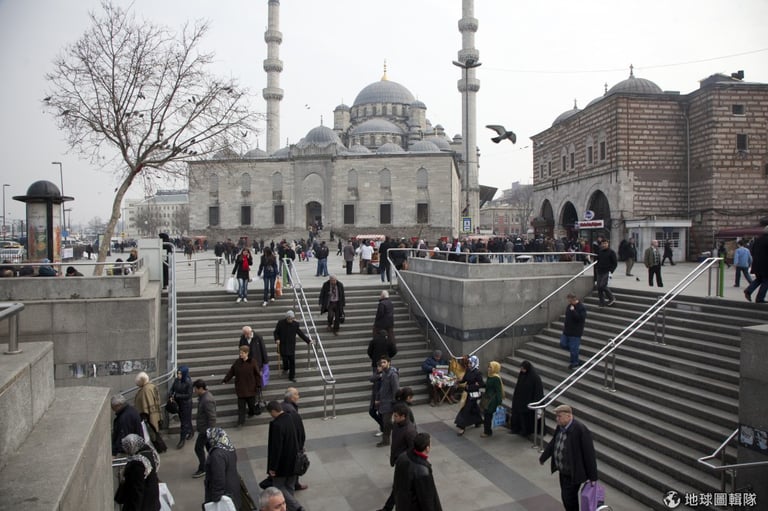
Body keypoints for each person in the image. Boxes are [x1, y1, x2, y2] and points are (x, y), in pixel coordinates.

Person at [539, 404, 599, 511]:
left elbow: (589, 454)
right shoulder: (560, 427)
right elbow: (554, 442)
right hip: (563, 471)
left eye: (559, 416)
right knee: (567, 497)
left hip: (573, 473)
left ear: (569, 416)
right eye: (556, 416)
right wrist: (544, 457)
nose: (557, 419)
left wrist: (593, 477)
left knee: (568, 498)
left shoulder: (580, 430)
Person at [377, 401, 418, 511]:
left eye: (395, 416)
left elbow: (413, 449)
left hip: (406, 464)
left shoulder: (410, 431)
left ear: (403, 416)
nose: (393, 418)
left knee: (398, 487)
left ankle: (387, 508)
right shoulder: (397, 424)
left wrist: (403, 458)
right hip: (399, 461)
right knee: (399, 487)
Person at [266, 400, 305, 511]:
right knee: (290, 486)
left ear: (273, 411)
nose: (271, 415)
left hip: (282, 464)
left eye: (270, 413)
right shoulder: (290, 417)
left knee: (278, 487)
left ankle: (296, 507)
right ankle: (288, 508)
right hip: (294, 460)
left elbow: (276, 448)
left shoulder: (276, 425)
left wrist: (272, 467)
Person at [393, 432, 443, 511]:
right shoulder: (423, 471)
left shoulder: (403, 457)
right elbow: (427, 500)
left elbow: (396, 485)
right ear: (427, 448)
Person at [114, 434, 161, 511]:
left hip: (143, 505)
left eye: (127, 448)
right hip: (152, 501)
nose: (127, 451)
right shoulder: (149, 452)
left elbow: (137, 491)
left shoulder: (138, 464)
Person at [222, 345, 262, 427]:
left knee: (251, 405)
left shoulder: (253, 362)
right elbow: (231, 372)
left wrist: (258, 385)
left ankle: (251, 412)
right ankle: (240, 422)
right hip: (240, 389)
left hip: (251, 389)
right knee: (241, 407)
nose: (241, 354)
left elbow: (257, 375)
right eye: (240, 353)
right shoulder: (237, 362)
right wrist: (225, 380)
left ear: (247, 353)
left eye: (242, 353)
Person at [203, 427, 241, 509]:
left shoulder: (217, 455)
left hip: (225, 493)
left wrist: (215, 498)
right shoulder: (229, 447)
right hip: (233, 488)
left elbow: (218, 477)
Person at [273, 310, 313, 382]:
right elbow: (276, 332)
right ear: (287, 318)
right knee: (285, 359)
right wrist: (277, 339)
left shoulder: (295, 324)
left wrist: (308, 341)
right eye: (289, 319)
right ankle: (285, 368)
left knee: (292, 361)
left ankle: (292, 376)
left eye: (292, 319)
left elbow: (300, 333)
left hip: (291, 346)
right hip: (283, 345)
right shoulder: (280, 323)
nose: (291, 320)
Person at [282, 387, 308, 491]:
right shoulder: (291, 410)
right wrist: (300, 445)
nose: (298, 396)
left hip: (288, 441)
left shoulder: (284, 405)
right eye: (297, 394)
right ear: (291, 397)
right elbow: (298, 430)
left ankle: (293, 483)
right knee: (296, 462)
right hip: (293, 443)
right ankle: (293, 484)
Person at [509, 360, 544, 437]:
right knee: (519, 415)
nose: (522, 370)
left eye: (523, 368)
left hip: (529, 401)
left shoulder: (535, 377)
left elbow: (538, 391)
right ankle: (518, 429)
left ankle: (526, 431)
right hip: (520, 400)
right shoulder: (522, 375)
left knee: (526, 417)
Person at [454, 355, 484, 436]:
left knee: (465, 409)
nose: (469, 365)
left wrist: (470, 386)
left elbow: (481, 384)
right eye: (469, 363)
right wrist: (458, 382)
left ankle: (461, 426)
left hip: (473, 395)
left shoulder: (478, 373)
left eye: (470, 363)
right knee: (474, 408)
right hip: (467, 393)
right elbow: (465, 379)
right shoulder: (468, 370)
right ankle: (478, 421)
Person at [193, 379, 217, 478]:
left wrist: (210, 431)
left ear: (200, 388)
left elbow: (212, 417)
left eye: (195, 389)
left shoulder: (207, 400)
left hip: (206, 430)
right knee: (210, 449)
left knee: (198, 448)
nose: (194, 391)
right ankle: (215, 464)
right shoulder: (203, 397)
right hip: (204, 429)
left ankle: (203, 468)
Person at [375, 356, 400, 447]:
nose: (382, 364)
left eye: (384, 362)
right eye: (381, 362)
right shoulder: (384, 373)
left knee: (386, 423)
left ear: (389, 362)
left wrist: (394, 403)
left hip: (389, 403)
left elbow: (396, 390)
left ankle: (386, 440)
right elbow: (382, 388)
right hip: (383, 402)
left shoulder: (392, 375)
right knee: (386, 422)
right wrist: (378, 398)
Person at [560, 293, 587, 369]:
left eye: (569, 300)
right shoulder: (569, 306)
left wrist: (573, 311)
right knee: (563, 344)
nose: (569, 302)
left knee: (573, 348)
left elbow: (580, 319)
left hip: (575, 332)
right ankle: (575, 353)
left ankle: (574, 362)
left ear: (573, 299)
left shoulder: (581, 307)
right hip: (567, 331)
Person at [169, 365, 194, 449]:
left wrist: (177, 396)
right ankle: (191, 431)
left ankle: (182, 440)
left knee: (184, 422)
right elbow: (172, 389)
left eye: (180, 374)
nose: (179, 375)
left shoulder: (188, 382)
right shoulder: (177, 380)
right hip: (179, 403)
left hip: (186, 404)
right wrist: (171, 395)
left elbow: (188, 395)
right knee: (185, 419)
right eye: (178, 373)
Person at [480, 361, 504, 438]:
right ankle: (487, 430)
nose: (488, 368)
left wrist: (499, 402)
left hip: (492, 400)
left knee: (488, 415)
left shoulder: (496, 378)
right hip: (487, 398)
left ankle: (487, 431)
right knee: (486, 414)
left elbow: (498, 391)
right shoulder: (490, 376)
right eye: (489, 367)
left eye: (490, 367)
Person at [745, 225, 768, 303]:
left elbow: (752, 251)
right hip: (765, 265)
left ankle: (748, 290)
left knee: (759, 279)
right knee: (766, 281)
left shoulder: (757, 240)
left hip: (756, 264)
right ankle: (760, 298)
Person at [594, 239, 617, 307]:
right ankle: (602, 302)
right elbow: (598, 261)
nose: (604, 245)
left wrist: (611, 271)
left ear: (608, 244)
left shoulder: (611, 252)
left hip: (606, 271)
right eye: (603, 243)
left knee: (603, 285)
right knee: (599, 287)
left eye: (605, 243)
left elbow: (615, 263)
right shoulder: (600, 252)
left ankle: (611, 298)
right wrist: (597, 268)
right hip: (599, 271)